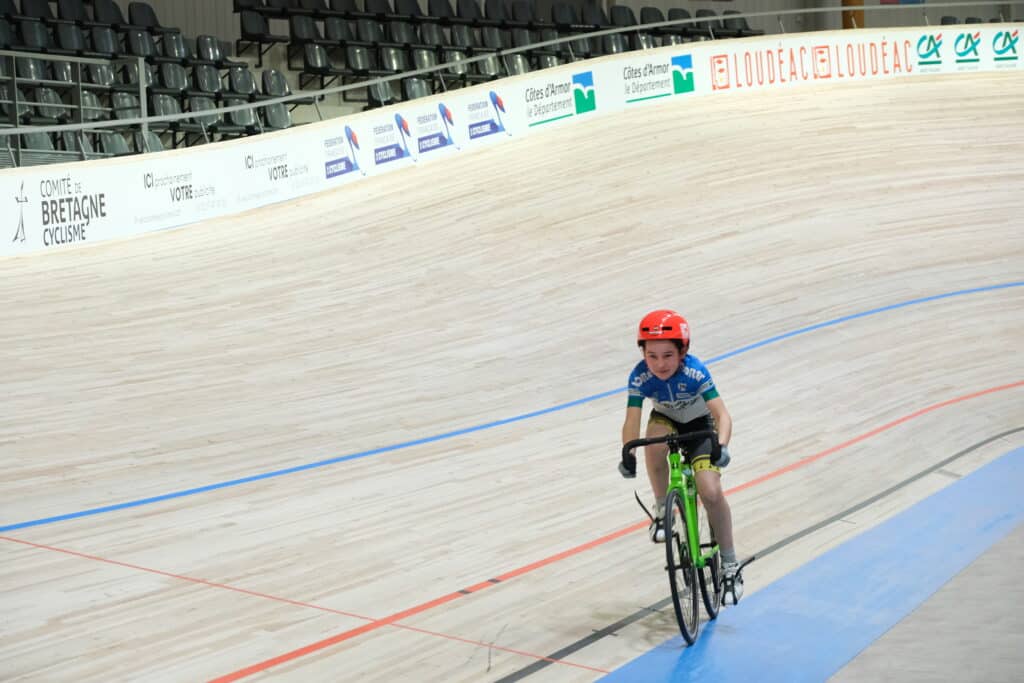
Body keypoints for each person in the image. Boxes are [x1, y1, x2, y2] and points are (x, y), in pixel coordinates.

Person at [619, 309, 744, 603]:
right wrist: (628, 451)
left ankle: (730, 565)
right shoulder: (639, 376)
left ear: (682, 352)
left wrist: (722, 446)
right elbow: (632, 420)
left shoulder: (695, 372)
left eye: (667, 356)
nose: (659, 364)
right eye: (652, 356)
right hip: (667, 420)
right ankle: (663, 510)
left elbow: (722, 416)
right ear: (643, 354)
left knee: (710, 491)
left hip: (701, 426)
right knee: (653, 443)